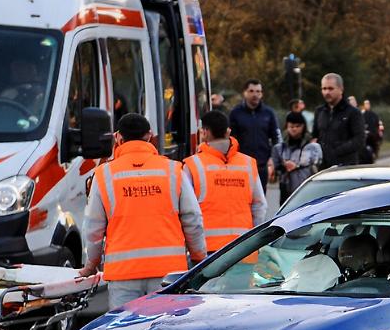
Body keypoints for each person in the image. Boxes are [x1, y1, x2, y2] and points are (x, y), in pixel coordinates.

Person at [80, 113, 207, 307]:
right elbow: (193, 218)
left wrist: (91, 263)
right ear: (149, 136)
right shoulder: (173, 170)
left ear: (118, 138)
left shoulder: (104, 174)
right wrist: (198, 256)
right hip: (168, 272)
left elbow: (93, 226)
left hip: (123, 274)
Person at [184, 109, 267, 254]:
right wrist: (253, 243)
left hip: (208, 253)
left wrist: (195, 251)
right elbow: (259, 206)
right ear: (228, 132)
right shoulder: (247, 163)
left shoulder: (192, 165)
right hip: (243, 250)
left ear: (205, 132)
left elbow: (190, 213)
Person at [227, 79, 280, 193]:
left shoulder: (269, 113)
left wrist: (272, 158)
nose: (255, 94)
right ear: (245, 93)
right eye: (251, 91)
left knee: (260, 201)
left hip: (261, 165)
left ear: (261, 94)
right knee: (241, 199)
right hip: (241, 166)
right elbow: (230, 139)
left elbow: (276, 138)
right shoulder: (235, 113)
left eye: (258, 91)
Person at [313, 73, 365, 169]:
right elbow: (315, 136)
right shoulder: (319, 112)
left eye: (330, 88)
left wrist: (336, 151)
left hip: (345, 168)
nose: (327, 92)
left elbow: (359, 140)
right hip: (323, 168)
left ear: (341, 89)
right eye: (324, 89)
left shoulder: (353, 112)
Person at [271, 111, 323, 205]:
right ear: (287, 126)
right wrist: (284, 167)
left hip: (306, 187)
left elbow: (318, 164)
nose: (294, 129)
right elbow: (276, 167)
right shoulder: (279, 147)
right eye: (291, 126)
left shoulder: (312, 146)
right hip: (286, 188)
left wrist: (297, 165)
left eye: (298, 126)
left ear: (303, 126)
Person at [361, 98, 383, 163]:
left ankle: (375, 154)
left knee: (375, 143)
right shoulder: (361, 114)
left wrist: (378, 132)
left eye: (368, 104)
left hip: (373, 134)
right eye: (366, 104)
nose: (367, 105)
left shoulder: (374, 115)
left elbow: (378, 124)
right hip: (364, 134)